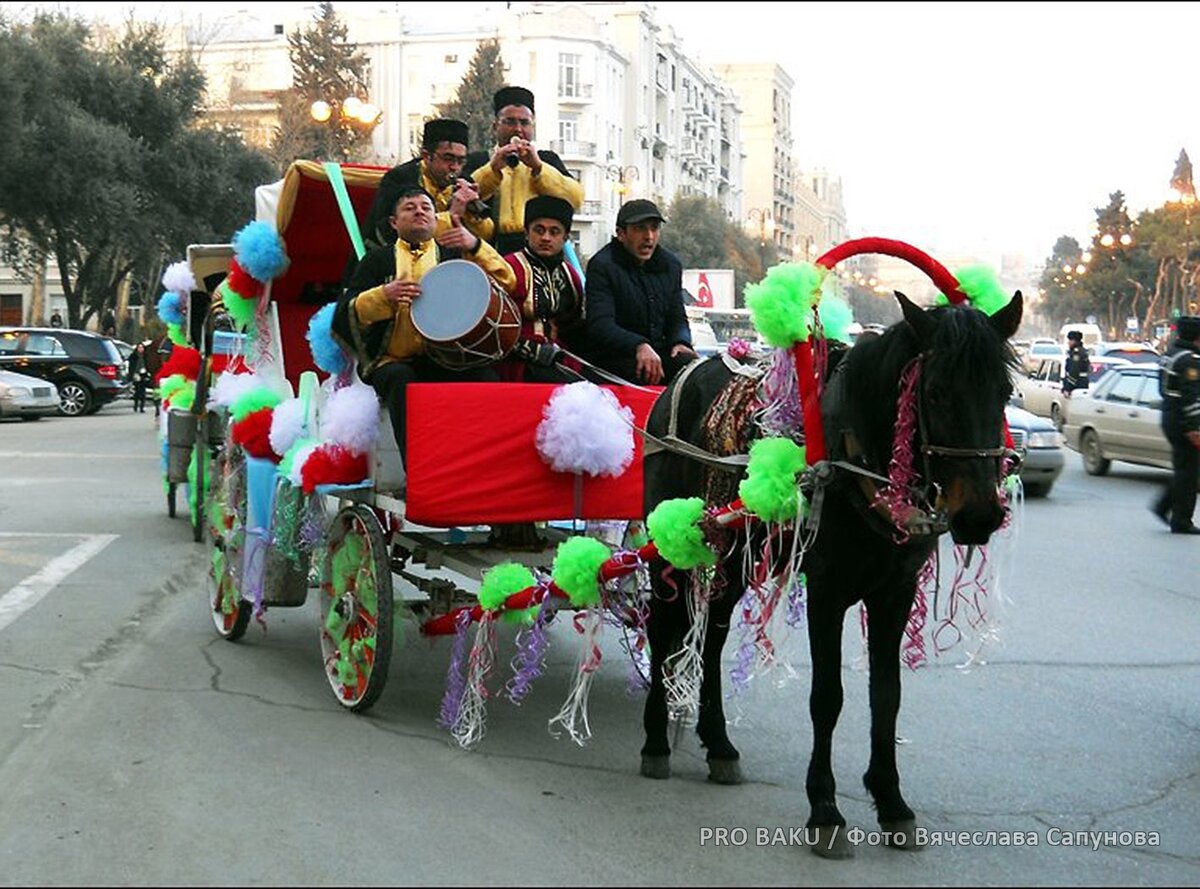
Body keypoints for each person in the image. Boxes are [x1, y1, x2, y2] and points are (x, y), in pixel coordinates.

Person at [332, 185, 516, 463]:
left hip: (447, 357)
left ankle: (482, 467)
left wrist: (476, 245)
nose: (419, 211)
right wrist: (383, 295)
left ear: (435, 218)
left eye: (426, 207)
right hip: (393, 361)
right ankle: (418, 473)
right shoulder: (376, 260)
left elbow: (507, 283)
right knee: (400, 379)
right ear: (394, 223)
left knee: (486, 379)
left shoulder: (452, 255)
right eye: (409, 207)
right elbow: (344, 314)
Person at [580, 198, 697, 385]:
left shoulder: (670, 265)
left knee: (694, 371)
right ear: (621, 234)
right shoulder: (603, 265)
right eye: (640, 228)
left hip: (658, 355)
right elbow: (600, 325)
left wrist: (681, 342)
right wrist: (639, 345)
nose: (649, 236)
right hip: (614, 359)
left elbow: (677, 317)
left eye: (654, 228)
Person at [466, 86, 584, 256]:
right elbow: (464, 197)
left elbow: (575, 198)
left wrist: (538, 169)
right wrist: (492, 169)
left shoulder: (546, 160)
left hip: (537, 250)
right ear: (495, 126)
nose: (518, 129)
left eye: (524, 123)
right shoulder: (480, 160)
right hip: (489, 250)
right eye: (510, 122)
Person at [360, 118, 493, 254]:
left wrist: (472, 213)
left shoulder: (463, 180)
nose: (455, 167)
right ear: (426, 156)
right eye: (448, 159)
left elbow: (487, 234)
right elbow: (395, 234)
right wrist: (452, 215)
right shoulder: (399, 179)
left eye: (461, 161)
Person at [498, 195, 586, 383]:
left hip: (560, 358)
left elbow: (575, 326)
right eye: (539, 230)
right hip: (514, 361)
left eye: (554, 232)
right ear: (526, 233)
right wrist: (530, 350)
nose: (546, 238)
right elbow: (491, 326)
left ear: (565, 237)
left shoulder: (570, 275)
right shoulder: (508, 267)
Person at [1150, 315, 1200, 534]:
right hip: (1182, 422)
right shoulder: (1190, 360)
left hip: (1169, 416)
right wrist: (1193, 427)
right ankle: (1181, 520)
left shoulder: (1170, 355)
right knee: (1189, 473)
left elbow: (1163, 389)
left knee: (1184, 469)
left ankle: (1163, 506)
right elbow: (1191, 397)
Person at [1062, 329, 1090, 396]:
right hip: (1082, 383)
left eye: (1070, 340)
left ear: (1074, 341)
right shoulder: (1082, 351)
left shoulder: (1076, 353)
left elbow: (1074, 370)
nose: (1068, 342)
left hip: (1077, 385)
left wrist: (1068, 388)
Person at [127, 340, 152, 413]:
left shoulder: (146, 356)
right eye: (139, 347)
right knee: (137, 392)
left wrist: (148, 373)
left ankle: (142, 407)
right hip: (136, 374)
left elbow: (148, 365)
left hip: (144, 374)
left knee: (143, 392)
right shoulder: (133, 356)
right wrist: (132, 374)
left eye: (142, 347)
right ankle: (135, 405)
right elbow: (131, 367)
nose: (140, 349)